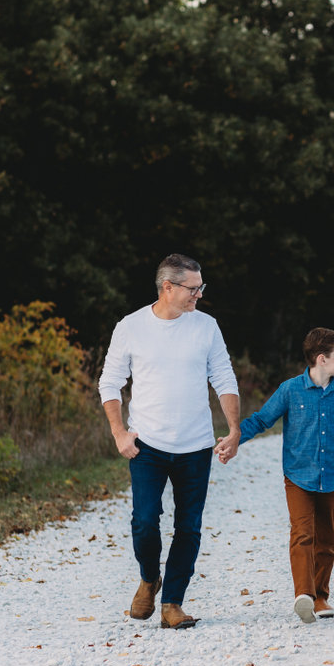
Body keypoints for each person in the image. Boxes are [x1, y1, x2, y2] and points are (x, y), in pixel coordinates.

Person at [99, 253, 240, 630]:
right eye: (193, 289)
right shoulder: (131, 327)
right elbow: (110, 383)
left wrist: (234, 429)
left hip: (195, 446)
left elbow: (224, 378)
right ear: (167, 287)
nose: (199, 295)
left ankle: (172, 602)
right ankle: (149, 578)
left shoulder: (206, 327)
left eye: (200, 288)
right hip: (147, 445)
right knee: (145, 522)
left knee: (189, 527)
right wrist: (118, 433)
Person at [228, 328, 334, 624]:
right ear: (322, 359)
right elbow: (261, 420)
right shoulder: (290, 390)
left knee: (327, 539)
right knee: (302, 533)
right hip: (298, 476)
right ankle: (304, 595)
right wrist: (234, 440)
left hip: (333, 476)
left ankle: (321, 596)